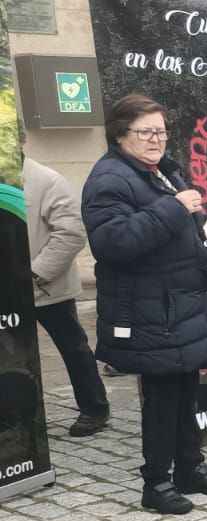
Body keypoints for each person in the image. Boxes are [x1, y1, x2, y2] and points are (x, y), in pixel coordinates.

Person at [82, 93, 207, 516]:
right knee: (162, 396)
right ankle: (156, 484)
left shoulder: (162, 171)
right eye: (144, 132)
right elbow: (111, 243)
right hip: (153, 309)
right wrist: (172, 209)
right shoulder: (109, 178)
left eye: (161, 131)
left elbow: (176, 230)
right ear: (119, 134)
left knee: (186, 388)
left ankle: (190, 469)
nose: (156, 139)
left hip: (180, 302)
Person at [26, 130, 109, 437]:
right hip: (7, 291)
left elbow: (71, 233)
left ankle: (95, 408)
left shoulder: (46, 180)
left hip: (47, 288)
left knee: (73, 349)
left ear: (21, 141)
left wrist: (33, 275)